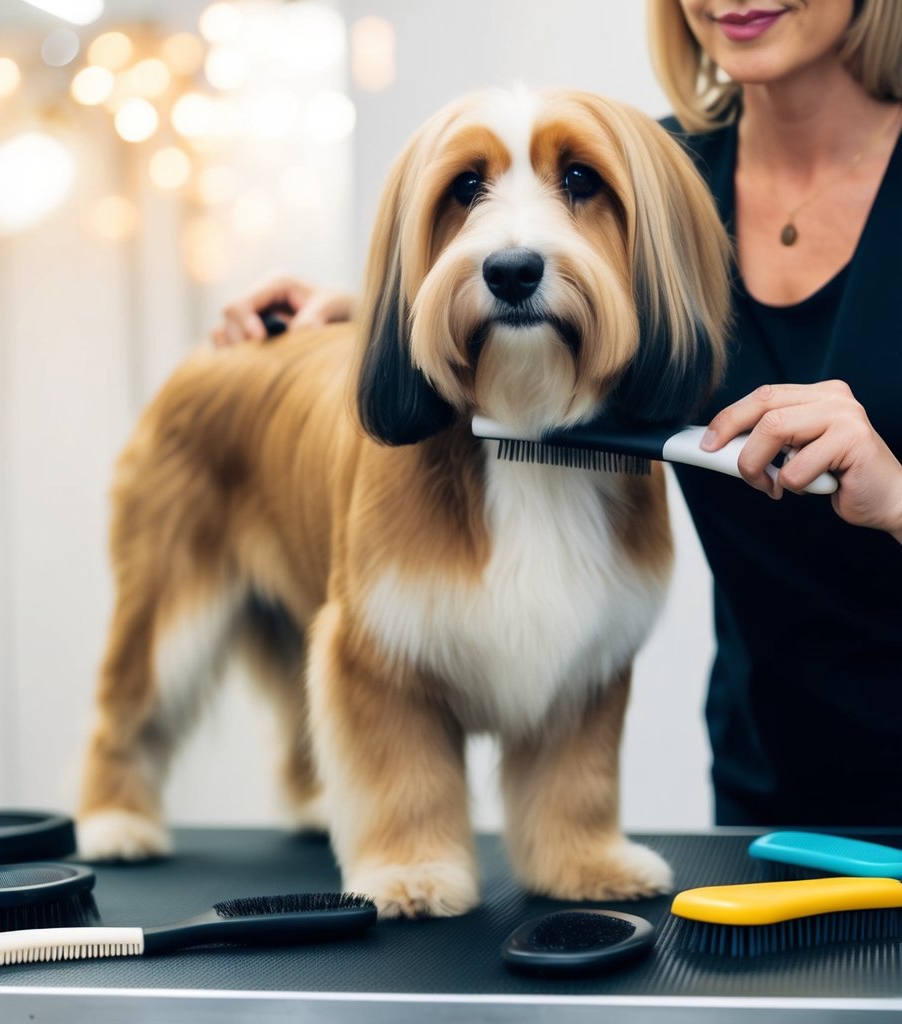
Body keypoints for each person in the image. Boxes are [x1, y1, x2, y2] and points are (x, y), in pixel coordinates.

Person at [212, 0, 902, 827]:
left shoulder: (634, 181)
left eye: (576, 188)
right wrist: (378, 315)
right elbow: (556, 308)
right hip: (769, 785)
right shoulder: (644, 176)